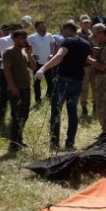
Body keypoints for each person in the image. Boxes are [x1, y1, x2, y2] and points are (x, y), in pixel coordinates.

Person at [35, 21, 92, 150]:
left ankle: (54, 143)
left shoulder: (67, 42)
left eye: (62, 30)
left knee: (56, 111)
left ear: (67, 29)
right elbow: (87, 61)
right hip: (78, 81)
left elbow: (59, 56)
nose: (62, 33)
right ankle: (70, 143)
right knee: (72, 113)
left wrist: (43, 68)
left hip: (63, 82)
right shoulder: (86, 44)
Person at [2, 29, 37, 152]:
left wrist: (29, 54)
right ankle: (13, 144)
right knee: (16, 115)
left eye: (25, 38)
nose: (24, 40)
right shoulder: (9, 52)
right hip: (16, 89)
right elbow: (6, 70)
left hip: (26, 88)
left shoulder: (23, 52)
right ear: (15, 38)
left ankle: (19, 139)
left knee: (25, 115)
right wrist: (12, 86)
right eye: (22, 38)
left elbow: (33, 67)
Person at [27, 20, 57, 105]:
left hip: (47, 63)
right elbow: (24, 46)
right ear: (37, 28)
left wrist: (53, 55)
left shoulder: (49, 35)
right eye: (41, 26)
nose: (44, 27)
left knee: (50, 82)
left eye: (44, 26)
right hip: (37, 63)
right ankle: (38, 100)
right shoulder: (32, 37)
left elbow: (55, 45)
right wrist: (31, 55)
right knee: (37, 83)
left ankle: (50, 98)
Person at [77, 15, 94, 118]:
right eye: (84, 23)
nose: (86, 24)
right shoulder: (78, 34)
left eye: (88, 23)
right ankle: (84, 107)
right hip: (84, 65)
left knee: (95, 86)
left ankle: (95, 105)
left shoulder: (92, 33)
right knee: (84, 87)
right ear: (81, 24)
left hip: (93, 64)